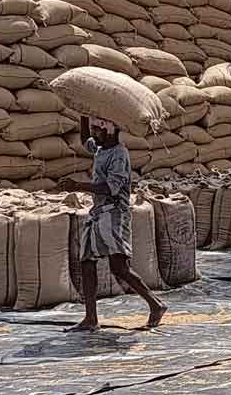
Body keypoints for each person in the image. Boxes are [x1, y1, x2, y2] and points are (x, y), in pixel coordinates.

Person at [58, 115, 167, 331]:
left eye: (98, 131)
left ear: (111, 131)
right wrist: (83, 114)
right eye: (94, 131)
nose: (94, 135)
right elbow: (84, 140)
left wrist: (77, 185)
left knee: (119, 267)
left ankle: (156, 304)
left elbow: (111, 188)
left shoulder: (119, 154)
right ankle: (91, 319)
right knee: (87, 263)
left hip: (115, 214)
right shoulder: (100, 147)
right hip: (99, 212)